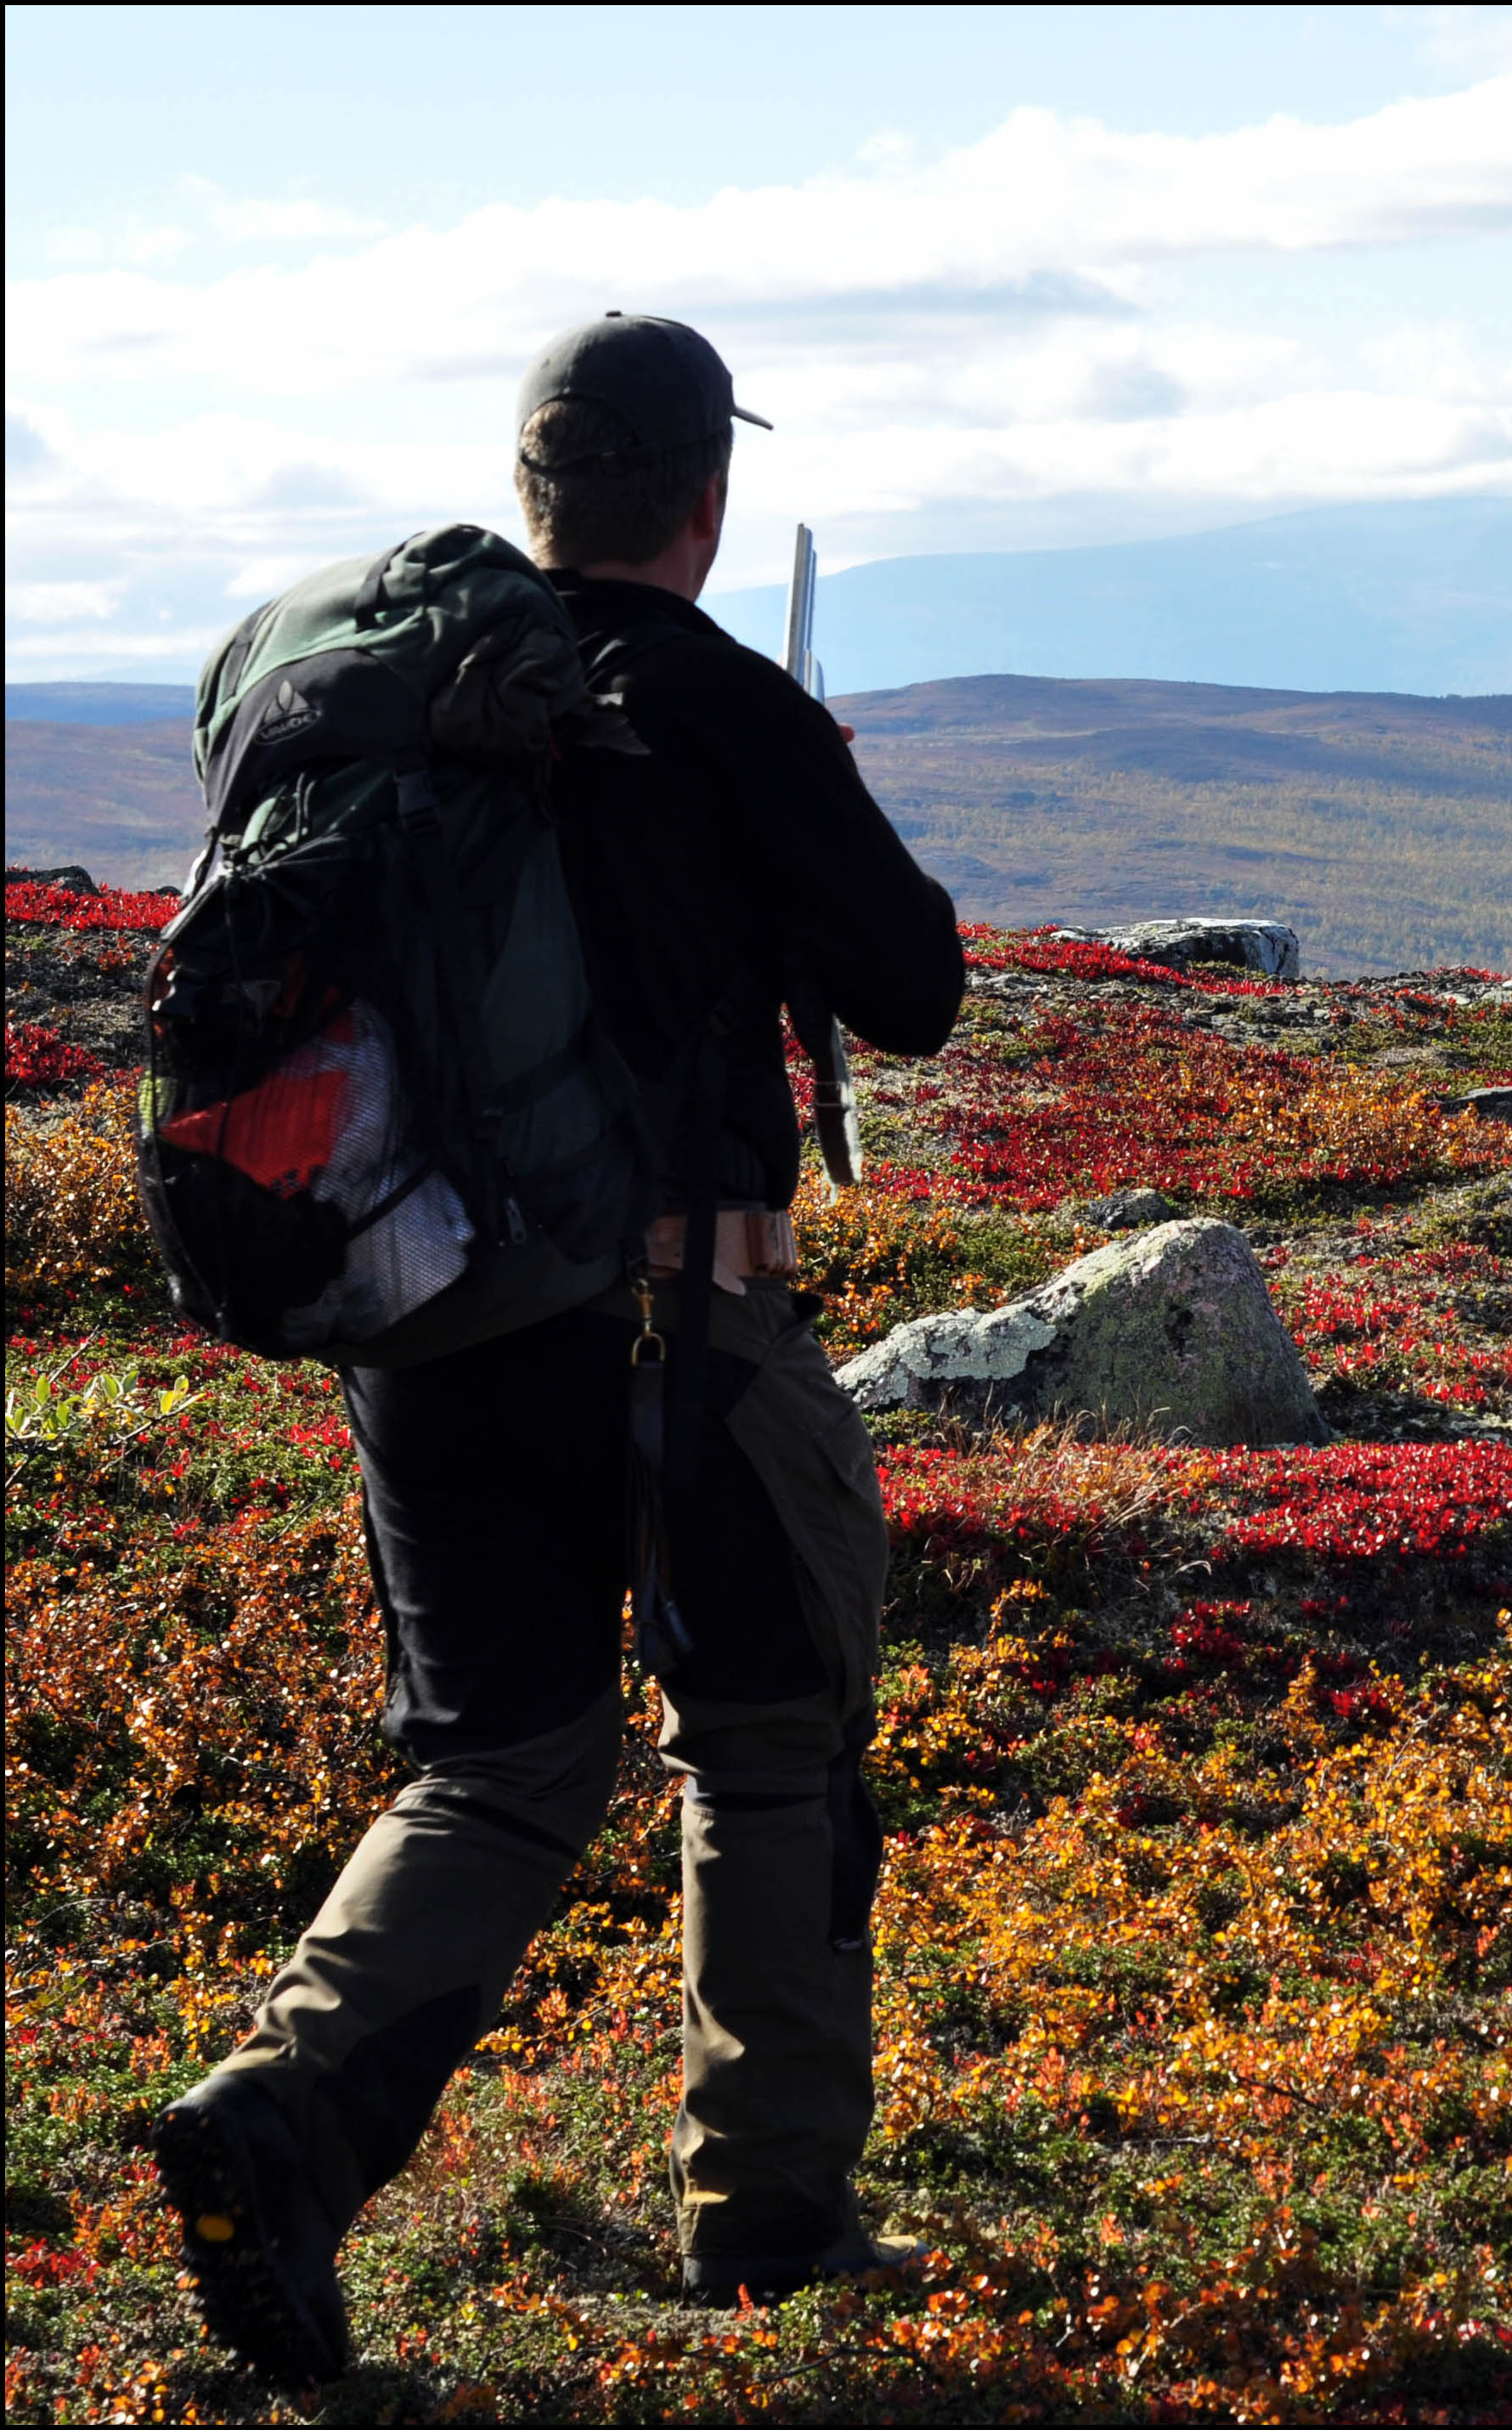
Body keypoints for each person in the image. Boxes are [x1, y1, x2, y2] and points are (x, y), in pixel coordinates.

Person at [151, 313, 967, 2386]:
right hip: (685, 1318)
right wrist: (809, 788)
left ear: (533, 488)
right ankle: (768, 2219)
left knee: (499, 1757)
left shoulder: (418, 710)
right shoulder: (720, 705)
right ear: (703, 499)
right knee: (770, 1739)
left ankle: (289, 2107)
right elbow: (921, 990)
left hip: (424, 1317)